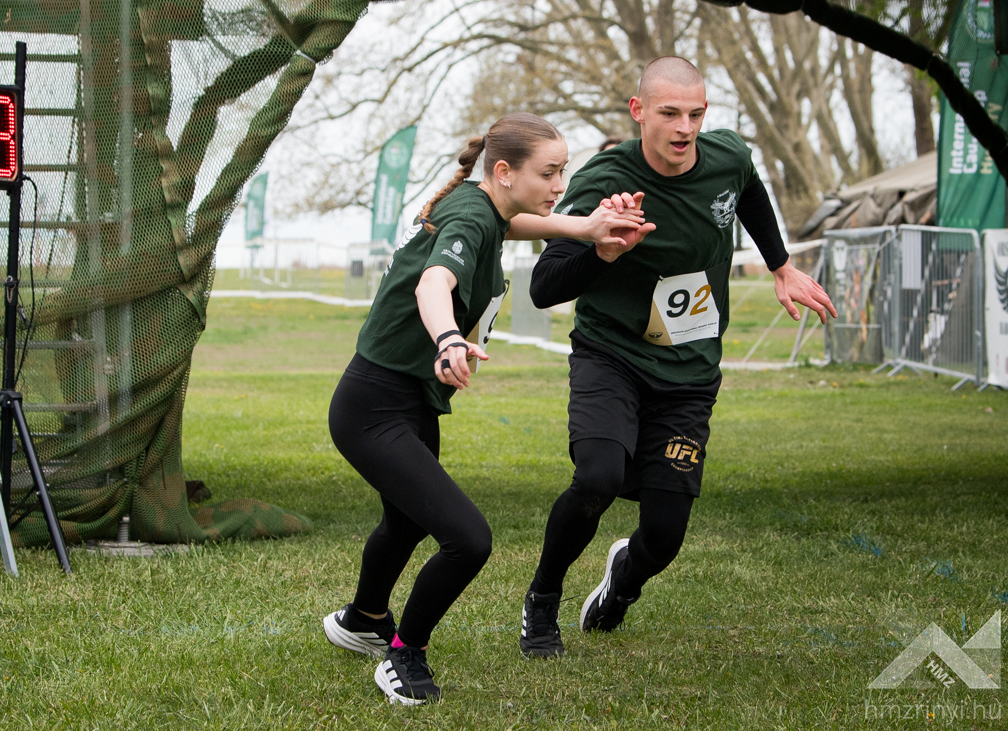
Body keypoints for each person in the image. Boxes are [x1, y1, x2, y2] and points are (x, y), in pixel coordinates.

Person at [321, 113, 648, 705]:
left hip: (405, 400)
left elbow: (520, 222)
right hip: (373, 407)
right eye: (548, 173)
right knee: (468, 539)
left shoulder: (486, 208)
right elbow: (432, 283)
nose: (559, 184)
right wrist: (448, 338)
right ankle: (403, 656)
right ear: (504, 171)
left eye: (563, 171)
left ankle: (364, 619)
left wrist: (587, 227)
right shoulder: (473, 217)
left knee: (407, 522)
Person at [517, 56, 835, 659]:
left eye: (695, 114)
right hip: (611, 355)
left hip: (688, 372)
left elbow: (749, 190)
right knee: (598, 478)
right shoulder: (605, 179)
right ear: (639, 111)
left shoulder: (728, 156)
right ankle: (543, 598)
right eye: (669, 113)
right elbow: (544, 287)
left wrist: (781, 265)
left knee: (664, 535)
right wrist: (602, 252)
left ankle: (622, 581)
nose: (684, 128)